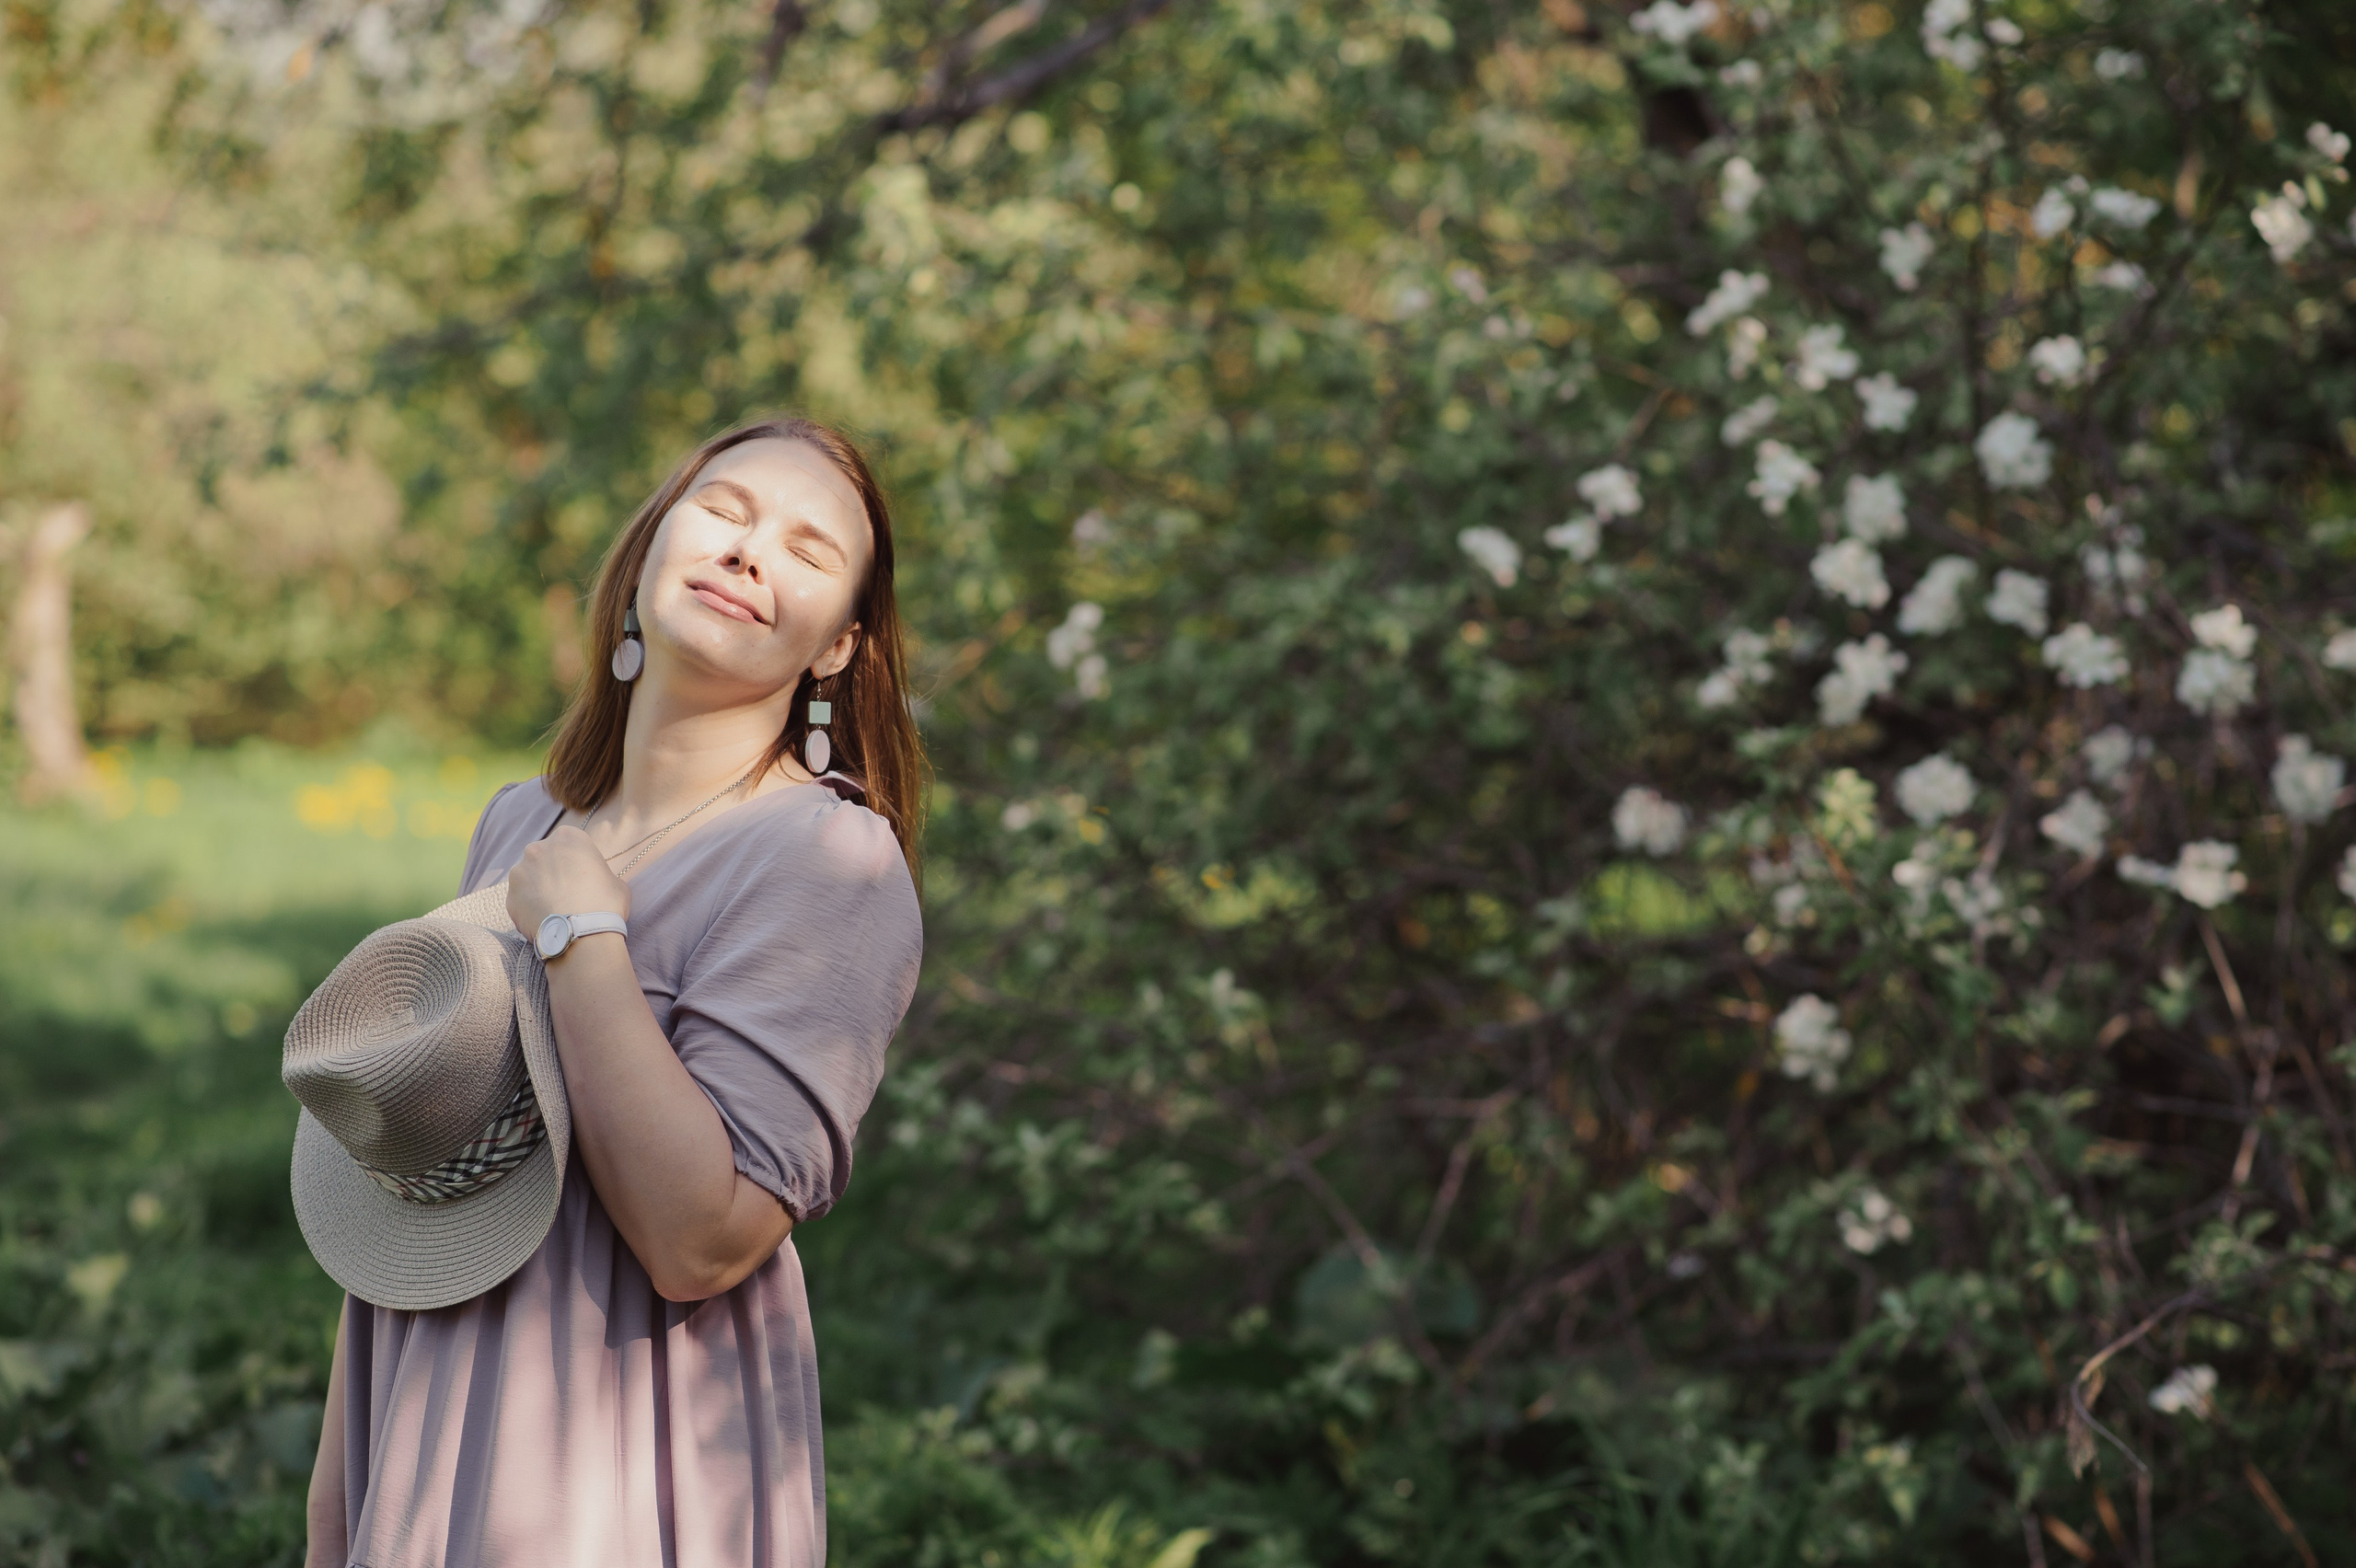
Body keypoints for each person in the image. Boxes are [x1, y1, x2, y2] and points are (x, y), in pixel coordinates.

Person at [304, 415, 925, 1567]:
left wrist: (584, 937)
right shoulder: (521, 822)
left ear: (838, 648)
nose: (748, 553)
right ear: (650, 548)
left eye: (807, 550)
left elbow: (702, 1242)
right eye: (725, 511)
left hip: (618, 1446)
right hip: (424, 1387)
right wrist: (345, 1492)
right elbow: (418, 1194)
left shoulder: (829, 862)